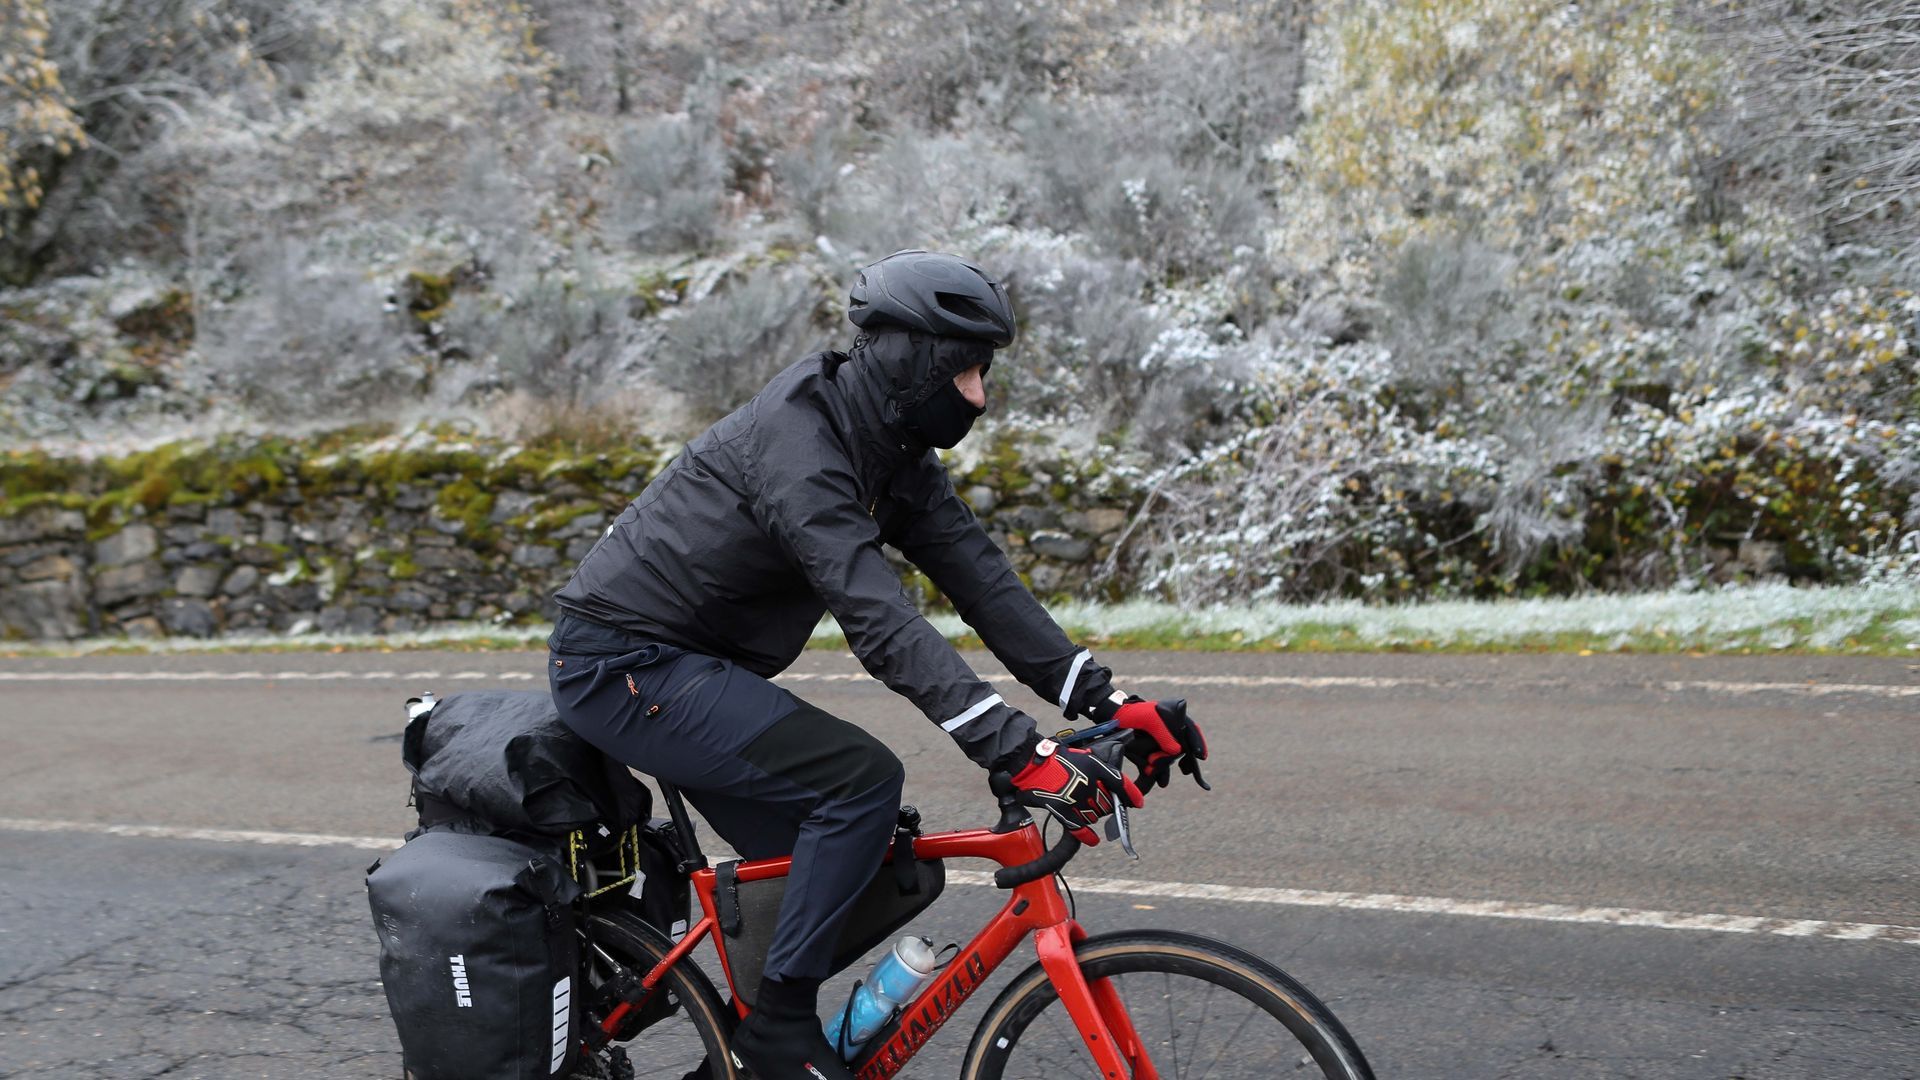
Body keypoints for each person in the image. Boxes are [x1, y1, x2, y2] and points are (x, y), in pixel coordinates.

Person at [546, 249, 1208, 1080]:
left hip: (694, 670)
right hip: (622, 666)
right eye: (965, 372)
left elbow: (982, 580)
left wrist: (1107, 699)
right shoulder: (801, 443)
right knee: (858, 785)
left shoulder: (889, 447)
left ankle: (742, 1056)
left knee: (863, 862)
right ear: (912, 359)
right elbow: (879, 618)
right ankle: (778, 1031)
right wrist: (1017, 750)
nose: (979, 396)